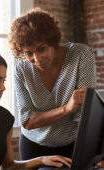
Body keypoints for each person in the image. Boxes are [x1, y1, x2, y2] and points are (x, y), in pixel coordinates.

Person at [8, 7, 96, 167]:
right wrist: (66, 109)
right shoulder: (21, 71)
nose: (37, 58)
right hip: (33, 146)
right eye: (28, 53)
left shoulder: (81, 55)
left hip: (73, 144)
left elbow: (83, 115)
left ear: (53, 41)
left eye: (41, 49)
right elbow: (27, 120)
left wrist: (91, 154)